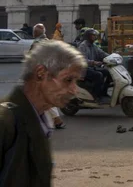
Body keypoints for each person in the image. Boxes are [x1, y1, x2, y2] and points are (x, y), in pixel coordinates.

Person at [0, 40, 86, 186]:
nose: (74, 90)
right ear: (41, 74)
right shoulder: (5, 121)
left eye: (76, 81)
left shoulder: (40, 119)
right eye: (68, 80)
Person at [29, 25, 67, 130]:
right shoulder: (49, 41)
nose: (33, 33)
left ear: (36, 33)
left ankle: (56, 119)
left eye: (34, 31)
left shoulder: (37, 43)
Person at [78, 29, 110, 102]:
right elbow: (83, 60)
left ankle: (103, 93)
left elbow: (101, 53)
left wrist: (111, 57)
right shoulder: (83, 46)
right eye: (93, 35)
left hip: (91, 68)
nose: (95, 37)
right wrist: (94, 62)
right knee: (99, 75)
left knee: (108, 72)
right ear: (88, 36)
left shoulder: (93, 46)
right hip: (84, 70)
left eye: (95, 35)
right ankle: (95, 96)